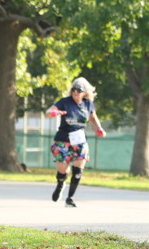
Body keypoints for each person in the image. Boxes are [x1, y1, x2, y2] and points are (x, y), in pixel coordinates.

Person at [45, 77, 105, 207]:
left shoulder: (88, 104)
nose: (75, 92)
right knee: (62, 170)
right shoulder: (64, 102)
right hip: (63, 140)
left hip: (80, 141)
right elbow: (48, 112)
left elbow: (93, 117)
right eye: (73, 89)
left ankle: (70, 198)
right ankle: (60, 183)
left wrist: (99, 128)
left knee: (78, 171)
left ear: (85, 92)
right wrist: (54, 113)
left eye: (79, 90)